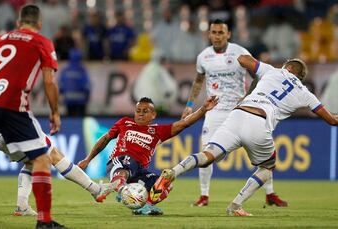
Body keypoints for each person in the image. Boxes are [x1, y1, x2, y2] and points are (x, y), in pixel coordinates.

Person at [151, 56, 338, 216]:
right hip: (259, 122)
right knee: (267, 167)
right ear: (300, 76)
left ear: (287, 68)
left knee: (208, 155)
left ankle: (173, 171)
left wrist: (254, 68)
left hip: (238, 114)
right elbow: (331, 120)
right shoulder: (306, 93)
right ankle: (235, 206)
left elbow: (242, 59)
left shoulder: (272, 71)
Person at [181, 18, 287, 207]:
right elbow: (198, 81)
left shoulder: (240, 52)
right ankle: (204, 196)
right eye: (214, 32)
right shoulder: (203, 57)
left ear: (228, 34)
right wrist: (190, 104)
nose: (217, 36)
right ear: (209, 34)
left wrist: (248, 96)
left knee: (262, 152)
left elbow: (259, 76)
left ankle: (270, 194)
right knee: (206, 151)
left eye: (221, 32)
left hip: (240, 110)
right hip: (214, 110)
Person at [0, 5, 66, 228]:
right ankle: (44, 221)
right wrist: (55, 112)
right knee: (41, 158)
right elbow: (49, 81)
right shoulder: (42, 42)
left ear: (18, 23)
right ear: (39, 25)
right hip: (12, 105)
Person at [78, 96, 218, 215]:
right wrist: (88, 159)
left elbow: (184, 123)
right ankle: (119, 189)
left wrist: (203, 109)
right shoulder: (124, 122)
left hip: (140, 172)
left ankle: (144, 206)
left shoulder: (157, 131)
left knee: (166, 184)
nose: (140, 114)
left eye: (145, 111)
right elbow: (105, 139)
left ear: (153, 115)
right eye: (138, 111)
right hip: (119, 162)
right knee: (127, 163)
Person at [0, 134, 113, 216]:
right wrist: (55, 113)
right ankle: (95, 189)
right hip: (13, 126)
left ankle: (22, 206)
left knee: (31, 163)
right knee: (53, 154)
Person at [59, 48, 91, 116]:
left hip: (69, 100)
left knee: (70, 121)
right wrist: (87, 96)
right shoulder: (82, 70)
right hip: (81, 101)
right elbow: (86, 86)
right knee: (81, 122)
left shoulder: (65, 70)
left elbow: (61, 86)